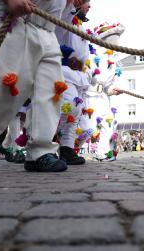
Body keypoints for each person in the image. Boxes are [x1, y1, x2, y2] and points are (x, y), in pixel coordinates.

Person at [0, 0, 68, 172]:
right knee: (8, 87)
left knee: (52, 90)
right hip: (15, 20)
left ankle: (40, 151)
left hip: (48, 30)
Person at [79, 22, 125, 161]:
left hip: (103, 98)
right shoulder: (92, 55)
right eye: (112, 38)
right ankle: (68, 148)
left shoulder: (114, 61)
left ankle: (103, 153)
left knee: (108, 124)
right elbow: (85, 75)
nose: (115, 41)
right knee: (88, 129)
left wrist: (112, 90)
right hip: (89, 96)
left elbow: (107, 86)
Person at [55, 0, 91, 165]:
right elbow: (59, 24)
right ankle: (44, 147)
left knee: (75, 113)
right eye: (86, 3)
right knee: (68, 108)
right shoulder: (66, 16)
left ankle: (67, 149)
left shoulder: (81, 28)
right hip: (61, 73)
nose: (89, 6)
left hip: (77, 79)